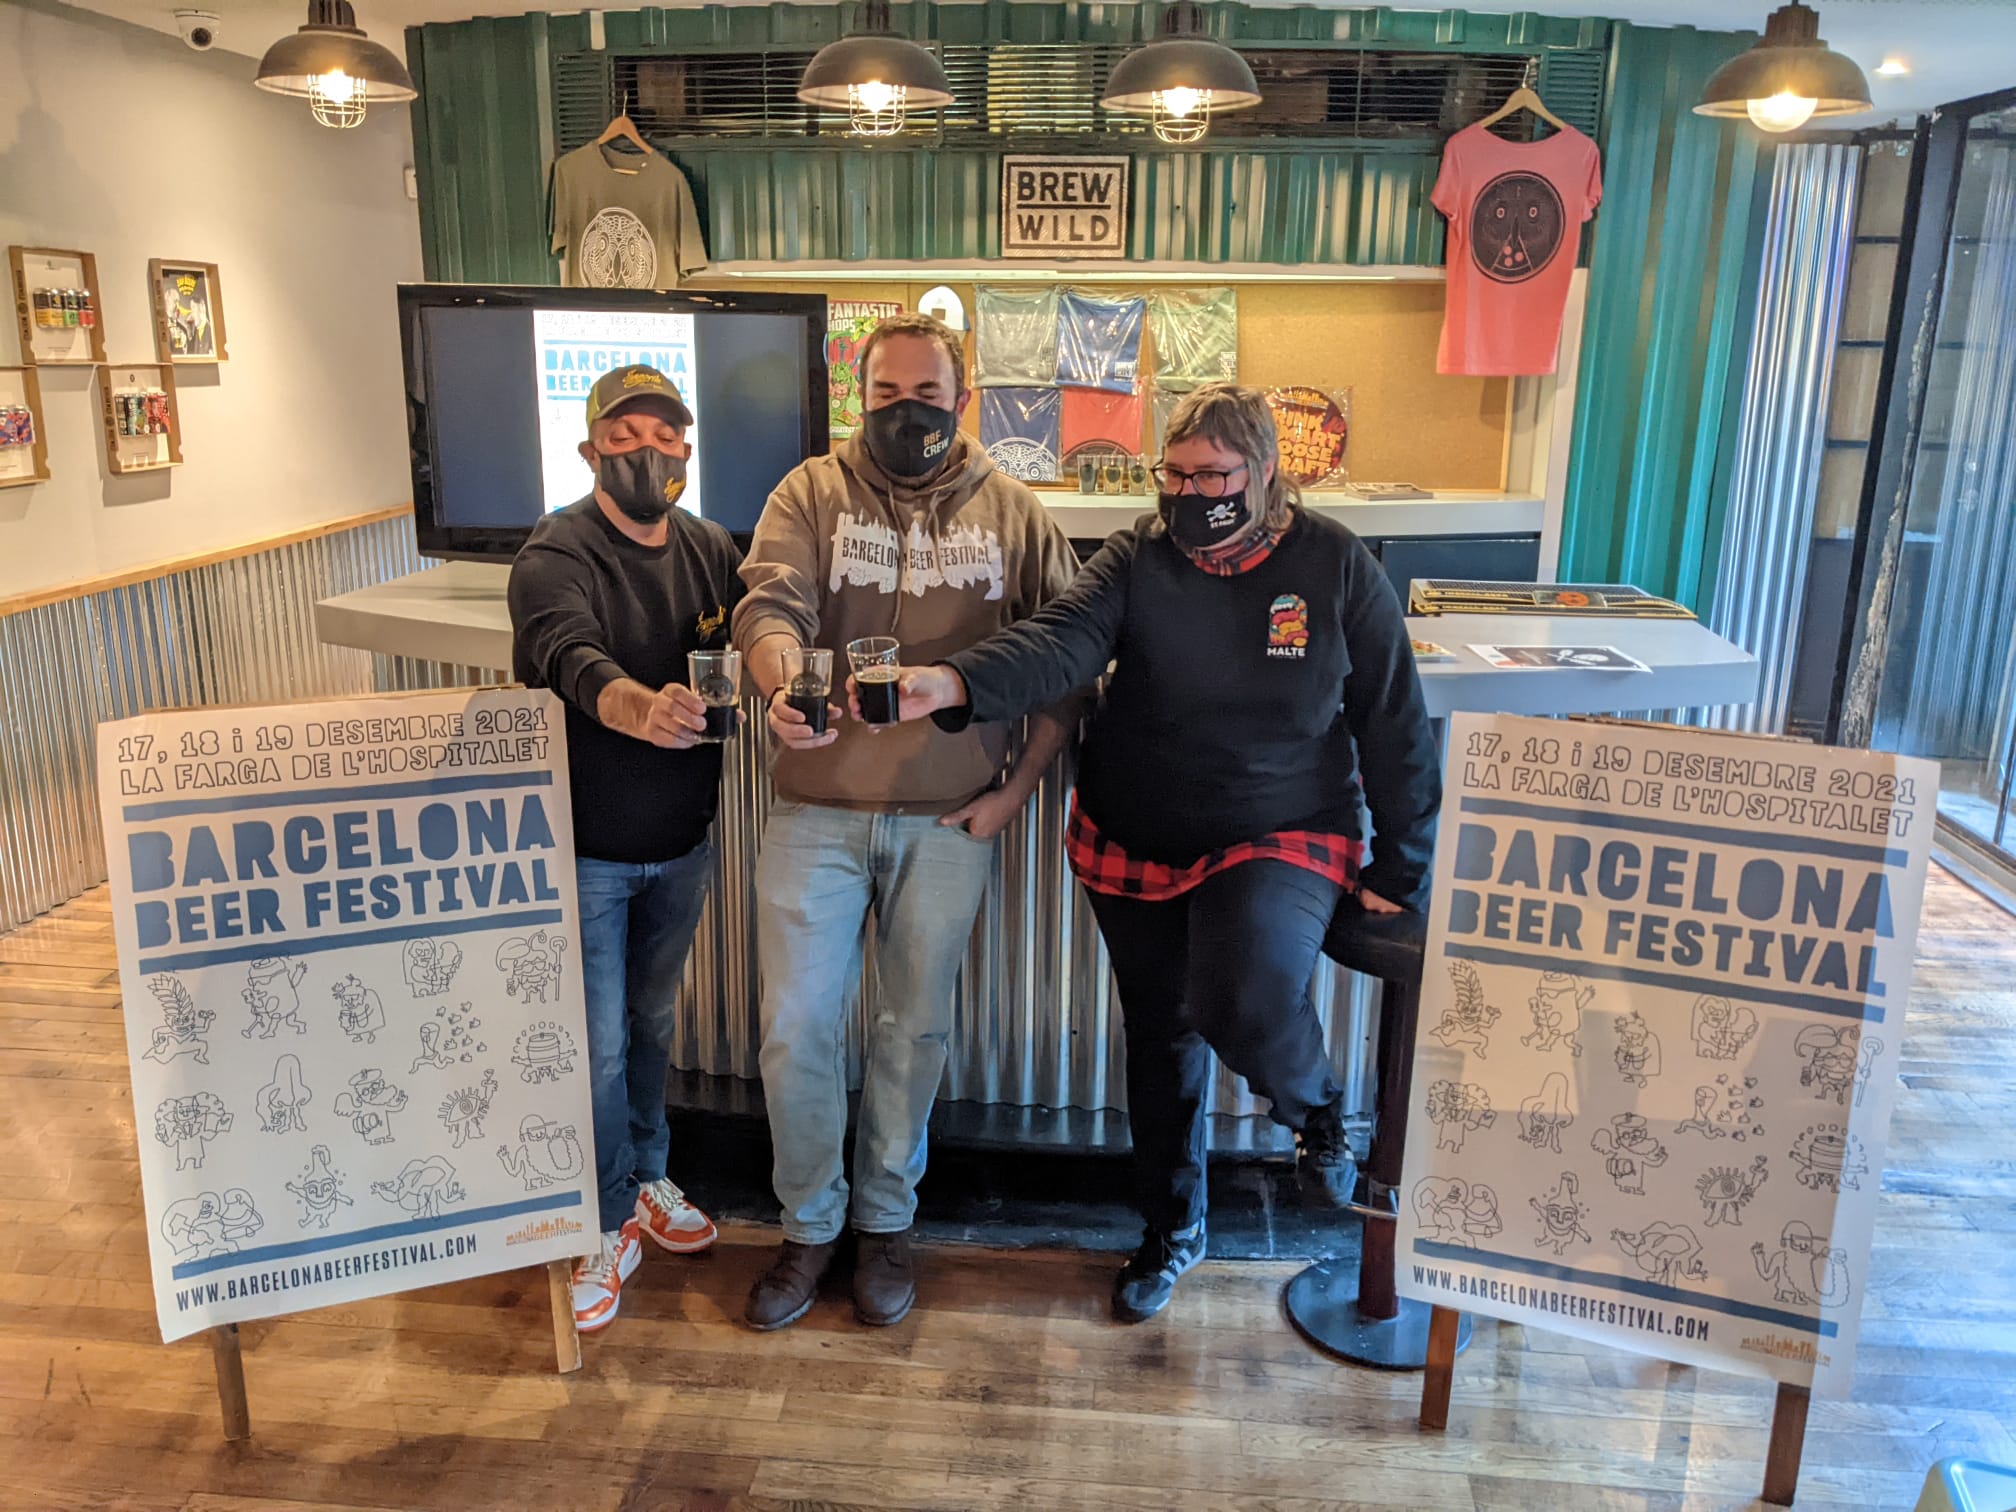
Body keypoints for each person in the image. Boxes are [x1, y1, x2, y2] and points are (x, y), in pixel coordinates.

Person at [880, 382, 1441, 1322]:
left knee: (1245, 993)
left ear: (1264, 474)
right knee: (1161, 1037)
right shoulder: (1136, 560)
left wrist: (1401, 866)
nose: (1188, 493)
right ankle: (1172, 1230)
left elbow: (1394, 721)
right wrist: (953, 683)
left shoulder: (1335, 564)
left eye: (1211, 475)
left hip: (1281, 825)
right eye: (1172, 474)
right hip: (1133, 834)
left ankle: (1317, 1113)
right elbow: (1060, 642)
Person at [731, 312, 1083, 1331]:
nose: (906, 413)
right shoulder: (811, 491)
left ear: (959, 401)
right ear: (860, 398)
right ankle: (808, 1227)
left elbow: (1069, 657)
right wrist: (779, 684)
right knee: (796, 1032)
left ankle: (886, 1222)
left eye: (926, 396)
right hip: (814, 814)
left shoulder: (1012, 510)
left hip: (946, 824)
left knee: (912, 1029)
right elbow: (769, 604)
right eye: (886, 396)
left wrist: (1014, 792)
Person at [507, 363, 736, 1333]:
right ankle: (600, 1224)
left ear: (688, 448)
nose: (649, 448)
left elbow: (765, 626)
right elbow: (570, 654)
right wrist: (638, 709)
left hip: (684, 844)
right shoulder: (554, 552)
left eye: (666, 433)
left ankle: (648, 1178)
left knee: (648, 1028)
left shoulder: (715, 547)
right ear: (590, 446)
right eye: (627, 432)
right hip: (588, 849)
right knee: (597, 1050)